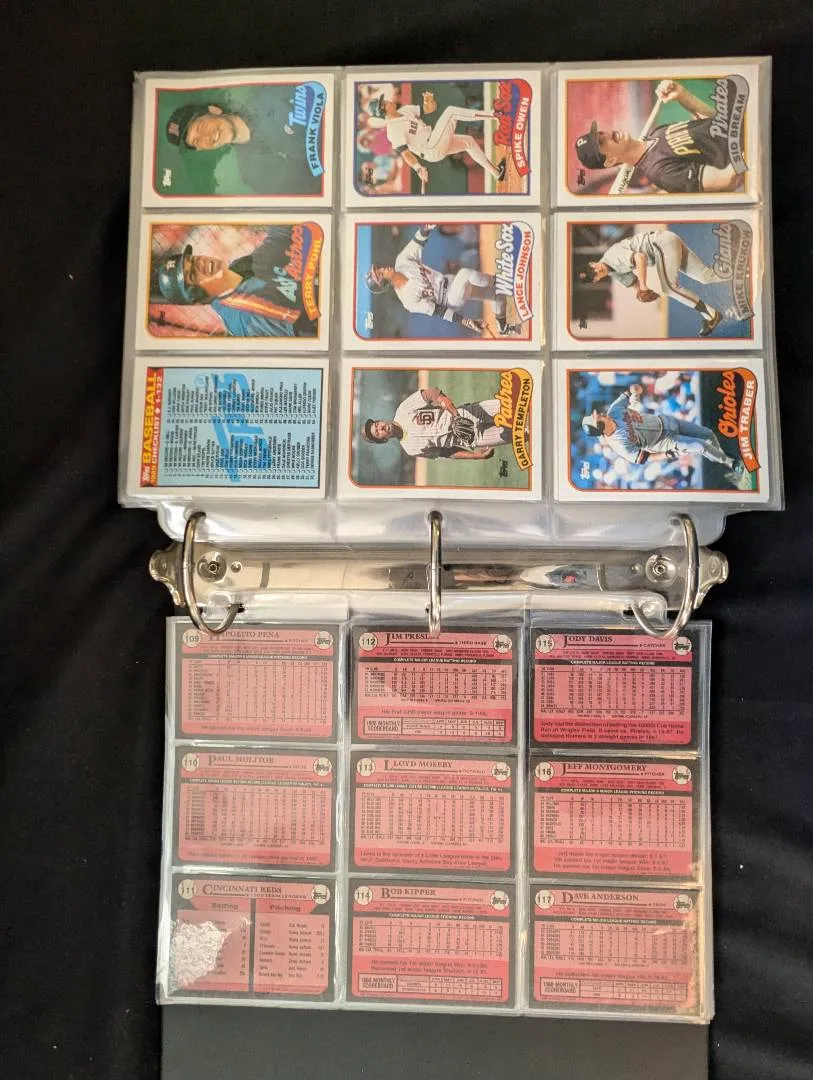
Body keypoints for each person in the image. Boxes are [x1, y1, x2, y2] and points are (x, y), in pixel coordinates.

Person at [574, 77, 749, 194]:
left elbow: (710, 125)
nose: (608, 134)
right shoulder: (660, 172)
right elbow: (727, 180)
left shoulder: (655, 134)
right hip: (750, 151)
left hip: (744, 125)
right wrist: (749, 149)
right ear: (611, 160)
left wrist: (683, 96)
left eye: (601, 132)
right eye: (602, 141)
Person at [152, 226, 318, 338]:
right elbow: (309, 327)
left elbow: (277, 241)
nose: (201, 263)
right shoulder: (244, 314)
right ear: (196, 296)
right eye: (193, 274)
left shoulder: (239, 268)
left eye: (193, 260)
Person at [164, 82, 325, 194]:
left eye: (200, 127)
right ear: (201, 149)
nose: (206, 137)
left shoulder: (268, 95)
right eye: (196, 141)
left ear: (213, 111)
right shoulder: (253, 174)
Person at [364, 224, 520, 336]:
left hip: (451, 281)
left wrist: (428, 226)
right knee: (465, 274)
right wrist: (466, 321)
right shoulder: (408, 300)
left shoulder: (402, 261)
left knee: (497, 295)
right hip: (450, 299)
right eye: (380, 274)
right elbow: (437, 311)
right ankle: (505, 281)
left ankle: (503, 326)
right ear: (384, 283)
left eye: (379, 269)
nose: (382, 269)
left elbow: (418, 240)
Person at [581, 382, 745, 485]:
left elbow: (633, 390)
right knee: (700, 447)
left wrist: (635, 390)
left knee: (708, 434)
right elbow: (644, 458)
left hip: (665, 422)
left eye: (597, 415)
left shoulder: (614, 410)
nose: (600, 414)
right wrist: (666, 454)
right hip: (663, 441)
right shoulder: (618, 444)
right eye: (597, 418)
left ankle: (722, 456)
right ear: (599, 427)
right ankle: (730, 462)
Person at [577, 227, 730, 336]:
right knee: (705, 276)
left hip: (660, 244)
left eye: (593, 268)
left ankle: (711, 315)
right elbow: (633, 282)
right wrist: (640, 292)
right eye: (594, 275)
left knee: (669, 288)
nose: (597, 271)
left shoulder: (611, 256)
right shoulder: (613, 272)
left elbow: (640, 258)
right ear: (596, 280)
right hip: (665, 243)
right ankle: (736, 272)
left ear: (592, 263)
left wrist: (644, 286)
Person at [367, 90, 505, 188]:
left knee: (468, 142)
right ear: (382, 111)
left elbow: (430, 109)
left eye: (383, 101)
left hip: (434, 141)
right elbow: (405, 153)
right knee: (451, 112)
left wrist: (429, 101)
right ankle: (494, 114)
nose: (387, 101)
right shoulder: (392, 130)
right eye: (383, 103)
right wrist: (418, 168)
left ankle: (496, 172)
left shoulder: (404, 110)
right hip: (430, 148)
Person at [362, 385, 511, 461]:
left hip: (469, 413)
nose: (381, 427)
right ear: (384, 440)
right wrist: (476, 456)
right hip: (472, 438)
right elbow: (446, 452)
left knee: (514, 406)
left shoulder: (403, 410)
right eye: (378, 432)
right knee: (519, 434)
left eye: (377, 424)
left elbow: (431, 393)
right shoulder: (410, 449)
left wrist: (456, 415)